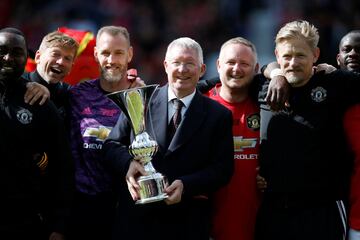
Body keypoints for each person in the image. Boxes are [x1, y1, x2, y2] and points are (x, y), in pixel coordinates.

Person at [102, 37, 234, 240]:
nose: (183, 69)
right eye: (176, 63)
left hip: (187, 223)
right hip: (136, 222)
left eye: (190, 63)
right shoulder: (138, 100)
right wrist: (128, 163)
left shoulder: (219, 115)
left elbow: (223, 169)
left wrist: (186, 185)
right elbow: (111, 145)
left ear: (202, 69)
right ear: (165, 65)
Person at [254, 20, 360, 240]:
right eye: (287, 56)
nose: (293, 63)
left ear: (316, 55)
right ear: (276, 54)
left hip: (323, 213)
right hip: (274, 214)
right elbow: (222, 81)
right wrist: (274, 73)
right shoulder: (262, 88)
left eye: (301, 55)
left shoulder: (337, 84)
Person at [67, 25, 143, 240]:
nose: (111, 60)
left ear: (129, 54)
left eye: (119, 53)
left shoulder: (142, 97)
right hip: (83, 210)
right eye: (106, 53)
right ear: (95, 54)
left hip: (127, 208)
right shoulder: (77, 95)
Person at [0, 27, 73, 240]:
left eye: (16, 52)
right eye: (2, 50)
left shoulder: (41, 103)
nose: (8, 57)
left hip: (22, 224)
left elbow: (63, 168)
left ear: (26, 57)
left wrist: (60, 226)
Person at [204, 37, 261, 240]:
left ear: (256, 69)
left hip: (259, 227)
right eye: (230, 62)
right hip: (206, 229)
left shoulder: (267, 106)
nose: (237, 69)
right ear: (219, 65)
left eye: (244, 64)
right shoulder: (199, 105)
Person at [23, 31, 79, 120]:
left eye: (67, 58)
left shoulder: (72, 97)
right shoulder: (15, 85)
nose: (61, 62)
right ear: (38, 57)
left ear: (71, 67)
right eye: (55, 54)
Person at [340, 30, 360, 240]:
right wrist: (276, 74)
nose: (353, 54)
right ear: (338, 58)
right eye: (347, 49)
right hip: (341, 218)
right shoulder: (328, 98)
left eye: (359, 50)